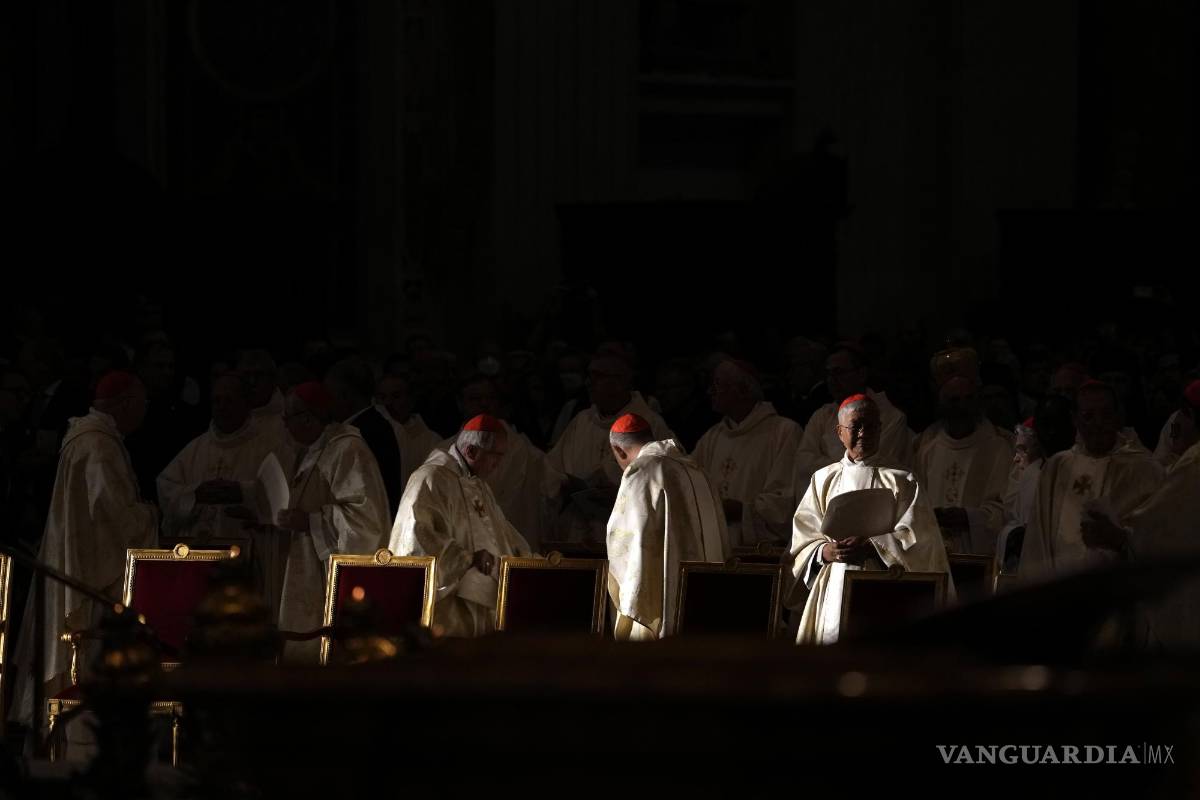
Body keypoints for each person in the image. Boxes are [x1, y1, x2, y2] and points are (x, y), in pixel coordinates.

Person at [9, 371, 159, 724]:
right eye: (142, 403)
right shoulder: (98, 446)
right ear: (124, 403)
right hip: (88, 575)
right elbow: (111, 520)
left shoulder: (90, 440)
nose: (145, 411)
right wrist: (149, 514)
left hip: (78, 562)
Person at [785, 394, 950, 645]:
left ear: (881, 429)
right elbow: (802, 540)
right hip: (834, 588)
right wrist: (824, 551)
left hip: (884, 587)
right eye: (856, 426)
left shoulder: (902, 480)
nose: (863, 433)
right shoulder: (823, 480)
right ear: (839, 432)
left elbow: (921, 540)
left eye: (871, 426)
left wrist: (874, 546)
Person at [274, 382, 390, 660]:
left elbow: (367, 521)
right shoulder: (313, 450)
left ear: (307, 418)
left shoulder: (348, 449)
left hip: (326, 572)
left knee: (322, 648)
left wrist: (311, 521)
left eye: (287, 418)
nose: (284, 425)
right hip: (306, 562)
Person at [388, 414, 532, 637]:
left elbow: (502, 532)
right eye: (495, 456)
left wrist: (530, 560)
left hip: (483, 599)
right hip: (448, 602)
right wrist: (466, 558)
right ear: (472, 451)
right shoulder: (431, 478)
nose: (498, 464)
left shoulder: (478, 485)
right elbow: (417, 537)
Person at [605, 414, 729, 641]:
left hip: (663, 598)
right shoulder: (697, 470)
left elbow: (625, 544)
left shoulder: (641, 471)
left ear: (619, 450)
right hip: (706, 593)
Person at [1020, 381, 1163, 579]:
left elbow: (1161, 542)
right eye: (1088, 416)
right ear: (1075, 420)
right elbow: (1037, 542)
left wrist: (1121, 539)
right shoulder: (1057, 467)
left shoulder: (1145, 469)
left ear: (1117, 416)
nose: (1098, 423)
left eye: (1106, 414)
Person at [157, 372, 292, 541]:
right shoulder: (195, 449)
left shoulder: (270, 447)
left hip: (250, 550)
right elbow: (166, 490)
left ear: (246, 403)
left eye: (229, 400)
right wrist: (195, 494)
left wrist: (243, 493)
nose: (222, 407)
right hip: (200, 550)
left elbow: (286, 495)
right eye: (217, 401)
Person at [438, 375, 564, 553]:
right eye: (475, 398)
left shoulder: (522, 449)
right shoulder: (444, 452)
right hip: (469, 548)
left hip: (515, 543)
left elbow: (554, 486)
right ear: (460, 403)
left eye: (490, 398)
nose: (484, 404)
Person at [692, 360, 802, 547]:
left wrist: (742, 510)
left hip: (760, 552)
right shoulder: (711, 438)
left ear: (743, 389)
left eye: (718, 384)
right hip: (715, 546)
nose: (711, 391)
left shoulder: (784, 432)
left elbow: (786, 498)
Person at [793, 342, 913, 492]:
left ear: (861, 374)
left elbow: (874, 465)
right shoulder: (821, 416)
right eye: (829, 374)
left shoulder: (891, 417)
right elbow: (804, 463)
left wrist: (827, 465)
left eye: (839, 372)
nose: (832, 380)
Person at [914, 376, 1013, 555]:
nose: (962, 407)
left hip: (977, 555)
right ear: (942, 404)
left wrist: (968, 518)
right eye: (954, 400)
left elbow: (1006, 508)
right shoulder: (928, 451)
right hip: (935, 552)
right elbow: (916, 506)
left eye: (968, 399)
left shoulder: (998, 448)